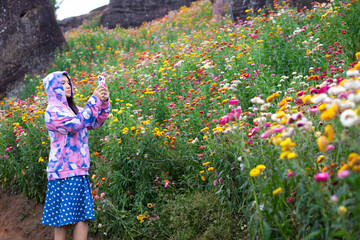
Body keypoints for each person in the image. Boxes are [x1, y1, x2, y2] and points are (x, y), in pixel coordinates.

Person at [40, 71, 110, 240]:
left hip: (77, 170)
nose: (68, 86)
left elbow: (93, 122)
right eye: (62, 83)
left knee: (76, 219)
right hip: (64, 172)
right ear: (53, 88)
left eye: (68, 82)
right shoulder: (53, 112)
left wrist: (103, 102)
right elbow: (77, 123)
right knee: (67, 221)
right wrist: (93, 100)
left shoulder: (71, 109)